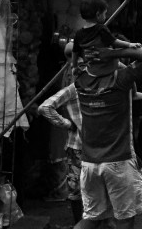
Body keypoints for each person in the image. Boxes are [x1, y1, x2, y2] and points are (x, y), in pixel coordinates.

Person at [74, 45, 142, 229]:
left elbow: (67, 48)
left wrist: (97, 49)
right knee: (125, 218)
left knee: (92, 218)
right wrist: (115, 51)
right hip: (118, 161)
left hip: (90, 163)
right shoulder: (121, 80)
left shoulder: (80, 79)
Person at [38, 45, 84, 223]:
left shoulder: (75, 76)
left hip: (89, 146)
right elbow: (45, 107)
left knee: (81, 188)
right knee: (77, 188)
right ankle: (80, 222)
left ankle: (85, 222)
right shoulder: (73, 84)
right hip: (79, 146)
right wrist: (66, 123)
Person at [72, 0, 141, 76]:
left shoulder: (78, 34)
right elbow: (115, 42)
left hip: (91, 67)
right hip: (105, 64)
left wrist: (74, 66)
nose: (105, 16)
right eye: (104, 14)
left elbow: (75, 52)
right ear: (98, 14)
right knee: (129, 73)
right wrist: (129, 44)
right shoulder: (101, 29)